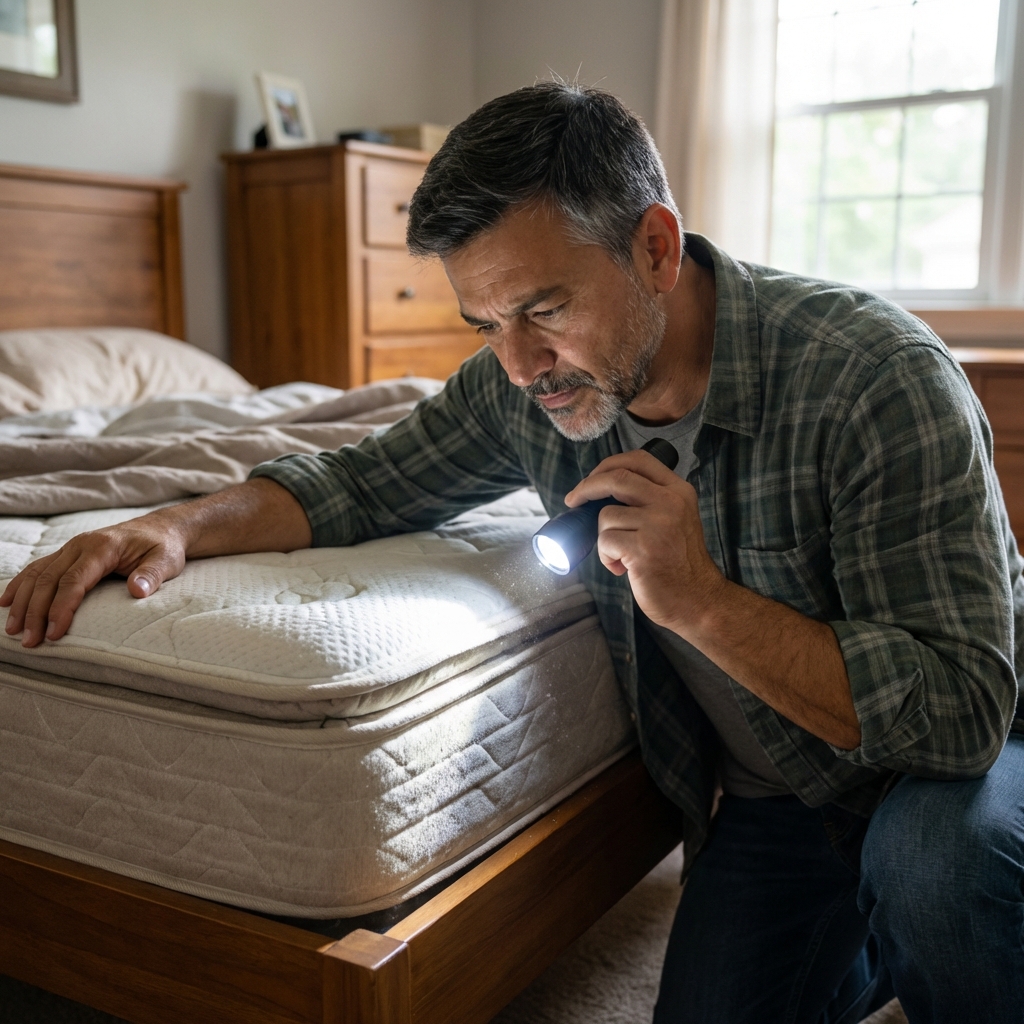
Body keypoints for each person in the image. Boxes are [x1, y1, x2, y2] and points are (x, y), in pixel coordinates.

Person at [3, 84, 1023, 1023]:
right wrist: (175, 524)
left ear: (656, 250)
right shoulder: (520, 386)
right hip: (774, 806)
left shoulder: (876, 380)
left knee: (936, 868)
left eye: (546, 310)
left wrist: (701, 599)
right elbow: (359, 481)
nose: (520, 363)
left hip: (941, 779)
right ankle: (881, 943)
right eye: (485, 322)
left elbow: (965, 710)